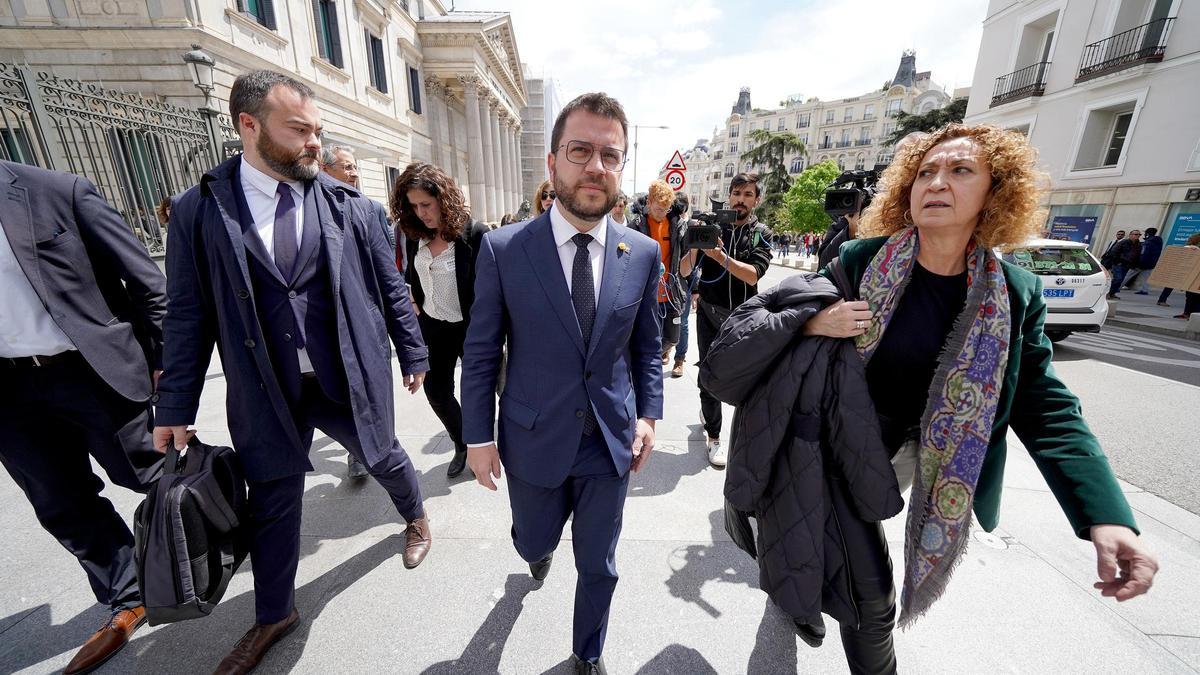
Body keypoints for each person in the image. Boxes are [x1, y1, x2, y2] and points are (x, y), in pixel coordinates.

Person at [715, 124, 1159, 674]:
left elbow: (1045, 404)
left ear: (995, 195)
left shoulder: (1015, 293)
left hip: (903, 463)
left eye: (960, 170)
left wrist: (1106, 517)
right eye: (926, 171)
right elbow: (771, 322)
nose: (937, 182)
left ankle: (791, 587)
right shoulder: (861, 261)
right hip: (827, 448)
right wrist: (812, 323)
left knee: (830, 562)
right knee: (873, 600)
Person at [154, 70, 433, 673]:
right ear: (248, 126)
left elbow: (391, 290)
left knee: (383, 457)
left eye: (317, 130)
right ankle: (274, 613)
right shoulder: (199, 210)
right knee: (275, 500)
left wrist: (414, 354)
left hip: (345, 379)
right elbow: (187, 313)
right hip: (265, 390)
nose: (315, 142)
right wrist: (174, 404)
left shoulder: (350, 207)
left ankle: (414, 516)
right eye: (299, 129)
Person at [461, 92, 663, 675]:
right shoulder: (503, 250)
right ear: (553, 163)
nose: (596, 167)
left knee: (599, 563)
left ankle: (588, 653)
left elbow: (647, 347)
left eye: (610, 155)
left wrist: (648, 416)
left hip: (609, 439)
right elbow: (480, 353)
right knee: (533, 542)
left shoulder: (642, 252)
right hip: (531, 438)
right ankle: (535, 552)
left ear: (622, 168)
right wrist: (478, 436)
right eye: (580, 151)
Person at [0, 160, 166, 675]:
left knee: (149, 474)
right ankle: (127, 596)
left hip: (88, 369)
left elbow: (145, 280)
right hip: (7, 390)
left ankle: (221, 534)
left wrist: (171, 366)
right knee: (60, 501)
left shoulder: (55, 190)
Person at [392, 162, 488, 479]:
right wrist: (411, 296)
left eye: (426, 205)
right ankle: (461, 443)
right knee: (437, 392)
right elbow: (410, 275)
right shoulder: (412, 236)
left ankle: (485, 444)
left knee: (481, 391)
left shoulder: (474, 234)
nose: (421, 213)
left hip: (469, 327)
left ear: (443, 200)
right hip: (433, 327)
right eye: (414, 206)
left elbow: (491, 289)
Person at [680, 173, 772, 467]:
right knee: (708, 375)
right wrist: (696, 244)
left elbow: (754, 273)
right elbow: (683, 272)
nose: (740, 200)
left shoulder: (761, 232)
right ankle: (714, 434)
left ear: (756, 200)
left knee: (748, 379)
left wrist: (722, 259)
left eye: (747, 194)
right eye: (736, 193)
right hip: (708, 312)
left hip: (745, 317)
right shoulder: (712, 227)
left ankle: (745, 435)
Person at [629, 180, 689, 377]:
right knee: (647, 340)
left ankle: (659, 355)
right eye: (658, 208)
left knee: (672, 337)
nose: (663, 212)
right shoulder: (635, 225)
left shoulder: (677, 225)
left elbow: (686, 257)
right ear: (650, 201)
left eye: (667, 208)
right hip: (646, 295)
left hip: (671, 292)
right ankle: (648, 367)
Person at [1158, 232, 1200, 309]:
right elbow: (1186, 251)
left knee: (1173, 285)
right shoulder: (1193, 243)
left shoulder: (1192, 241)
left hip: (1189, 267)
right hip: (1187, 267)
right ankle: (1162, 300)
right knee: (1173, 284)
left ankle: (1162, 300)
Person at [1122, 227, 1162, 294]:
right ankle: (1145, 290)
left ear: (1147, 233)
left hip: (1142, 264)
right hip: (1151, 263)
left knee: (1128, 275)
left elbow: (1143, 253)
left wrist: (1139, 263)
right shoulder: (1158, 242)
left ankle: (1117, 287)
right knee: (1145, 278)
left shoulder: (1148, 242)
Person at [1103, 229, 1141, 299]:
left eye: (1139, 235)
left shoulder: (1138, 244)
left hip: (1127, 265)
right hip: (1118, 264)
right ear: (1130, 235)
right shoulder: (1124, 242)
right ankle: (1107, 293)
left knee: (1121, 280)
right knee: (1118, 279)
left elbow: (1137, 255)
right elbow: (1114, 251)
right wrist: (1117, 261)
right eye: (1136, 234)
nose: (1138, 236)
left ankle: (1112, 293)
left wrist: (1134, 264)